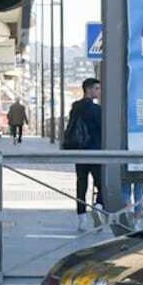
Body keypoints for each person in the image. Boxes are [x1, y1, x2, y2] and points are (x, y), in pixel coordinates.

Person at [62, 78, 104, 229]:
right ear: (88, 90)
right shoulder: (97, 110)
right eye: (97, 88)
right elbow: (102, 128)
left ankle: (82, 218)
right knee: (101, 183)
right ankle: (98, 206)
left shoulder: (75, 107)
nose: (99, 91)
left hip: (79, 150)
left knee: (81, 183)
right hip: (96, 151)